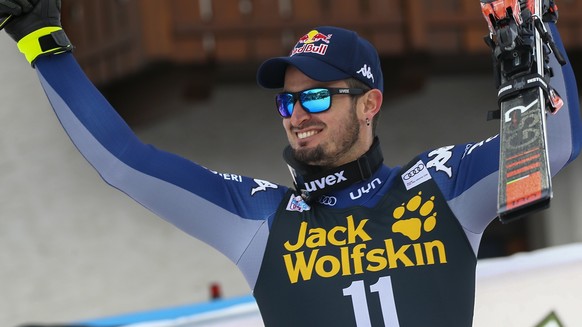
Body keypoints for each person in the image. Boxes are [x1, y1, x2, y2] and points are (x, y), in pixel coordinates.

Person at [1, 0, 580, 326]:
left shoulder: (442, 187)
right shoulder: (261, 217)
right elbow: (127, 163)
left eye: (318, 95)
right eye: (287, 99)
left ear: (370, 102)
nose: (297, 113)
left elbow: (555, 141)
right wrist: (41, 41)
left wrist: (531, 26)